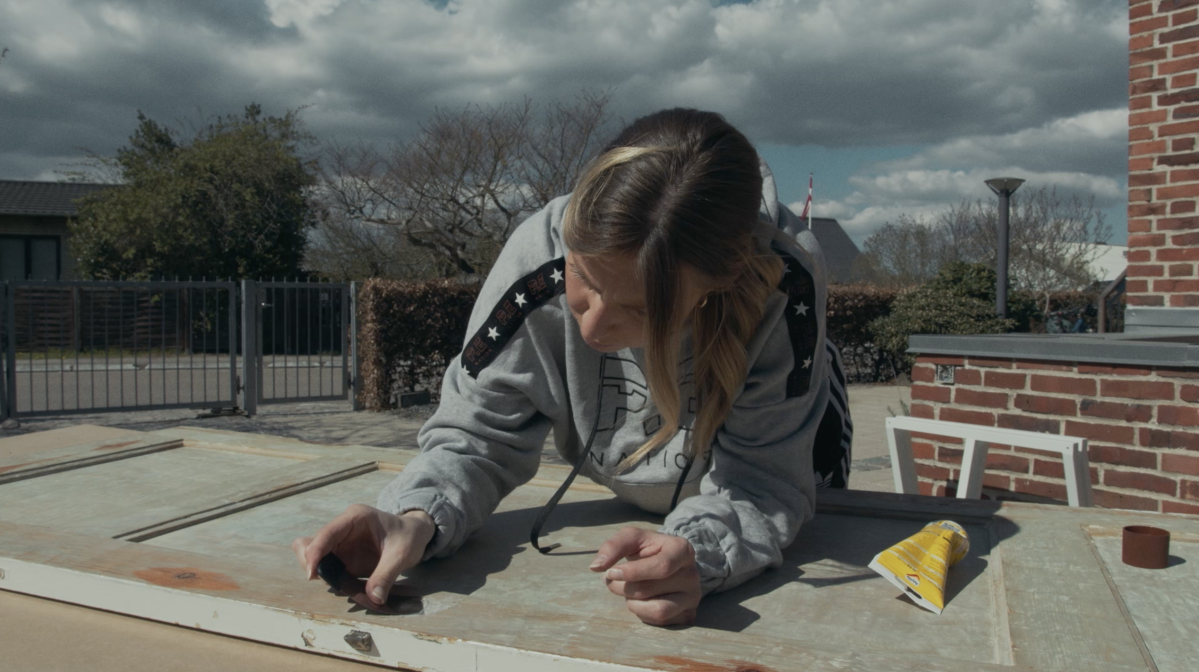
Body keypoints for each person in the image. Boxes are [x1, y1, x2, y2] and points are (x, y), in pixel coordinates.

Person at [293, 108, 853, 627]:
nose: (591, 330)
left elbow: (765, 482)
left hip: (782, 482)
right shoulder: (539, 250)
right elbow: (477, 433)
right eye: (584, 279)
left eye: (641, 310)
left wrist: (703, 553)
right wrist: (416, 515)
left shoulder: (786, 284)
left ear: (716, 288)